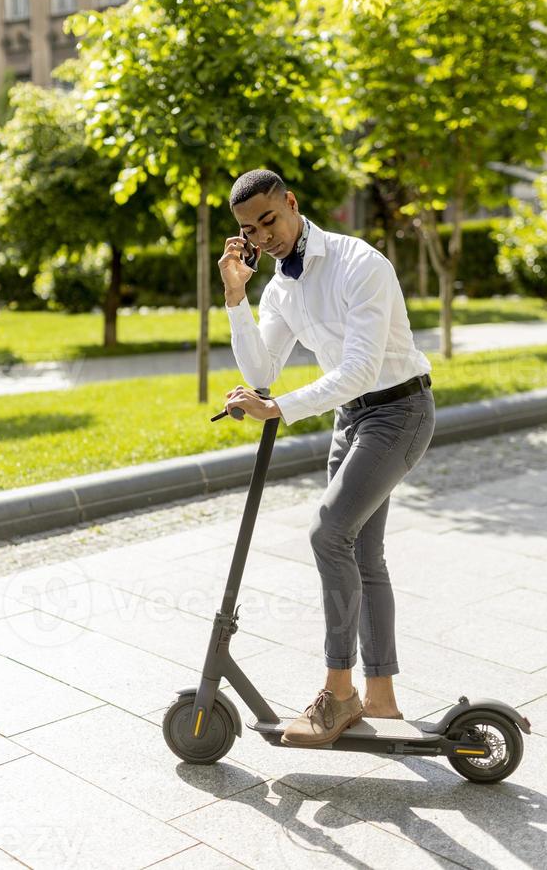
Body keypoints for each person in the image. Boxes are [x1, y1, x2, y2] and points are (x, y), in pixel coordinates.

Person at [217, 168, 436, 748]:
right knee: (362, 550)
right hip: (353, 418)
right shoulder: (279, 288)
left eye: (270, 219)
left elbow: (361, 369)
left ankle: (339, 692)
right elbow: (262, 370)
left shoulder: (358, 263)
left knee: (328, 533)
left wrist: (280, 409)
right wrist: (236, 297)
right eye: (249, 230)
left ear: (291, 204)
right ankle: (381, 697)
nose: (264, 237)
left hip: (400, 411)